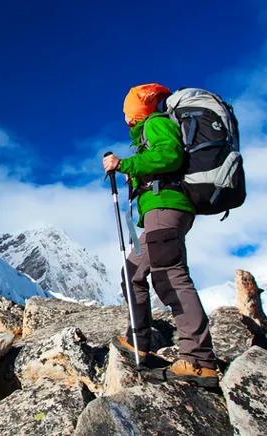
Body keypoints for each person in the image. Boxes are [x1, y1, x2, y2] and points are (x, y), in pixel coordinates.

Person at [102, 83, 219, 388]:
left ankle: (198, 360)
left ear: (136, 112)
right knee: (133, 273)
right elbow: (161, 161)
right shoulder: (149, 133)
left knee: (170, 275)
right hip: (158, 212)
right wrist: (136, 171)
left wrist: (124, 163)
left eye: (127, 110)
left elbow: (171, 156)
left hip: (166, 208)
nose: (125, 116)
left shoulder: (156, 124)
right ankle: (138, 340)